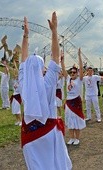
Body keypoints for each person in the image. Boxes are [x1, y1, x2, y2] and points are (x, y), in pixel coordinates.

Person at [18, 12, 72, 170]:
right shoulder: (47, 82)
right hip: (49, 132)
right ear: (42, 68)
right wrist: (54, 31)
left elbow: (23, 61)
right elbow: (55, 58)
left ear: (27, 70)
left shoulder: (23, 84)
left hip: (29, 134)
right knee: (54, 164)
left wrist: (26, 36)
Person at [61, 48, 86, 145]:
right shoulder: (68, 79)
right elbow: (63, 70)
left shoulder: (79, 80)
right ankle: (71, 137)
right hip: (68, 102)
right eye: (71, 72)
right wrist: (62, 60)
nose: (72, 74)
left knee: (76, 120)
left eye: (74, 72)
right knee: (70, 120)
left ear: (77, 73)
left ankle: (77, 138)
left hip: (76, 102)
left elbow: (81, 68)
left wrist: (79, 56)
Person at [10, 61, 22, 126]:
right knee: (14, 109)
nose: (16, 76)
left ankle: (21, 121)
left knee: (17, 109)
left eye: (17, 76)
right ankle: (17, 120)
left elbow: (17, 72)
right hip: (14, 95)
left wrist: (15, 65)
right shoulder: (14, 81)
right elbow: (14, 73)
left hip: (18, 96)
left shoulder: (20, 81)